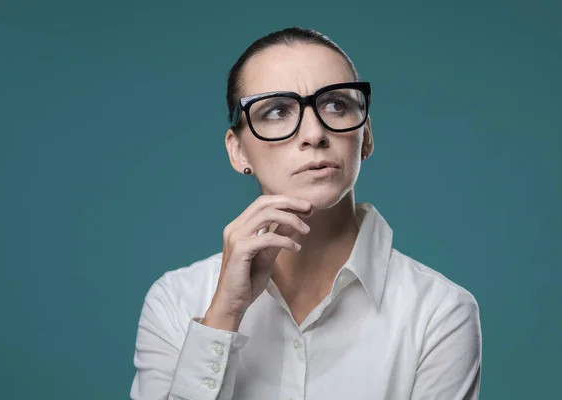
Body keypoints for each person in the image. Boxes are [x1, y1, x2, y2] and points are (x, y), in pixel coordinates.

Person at [130, 27, 482, 400]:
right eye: (277, 111)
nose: (314, 133)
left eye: (336, 105)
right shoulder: (175, 301)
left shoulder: (440, 311)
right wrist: (222, 319)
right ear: (238, 152)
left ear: (367, 136)